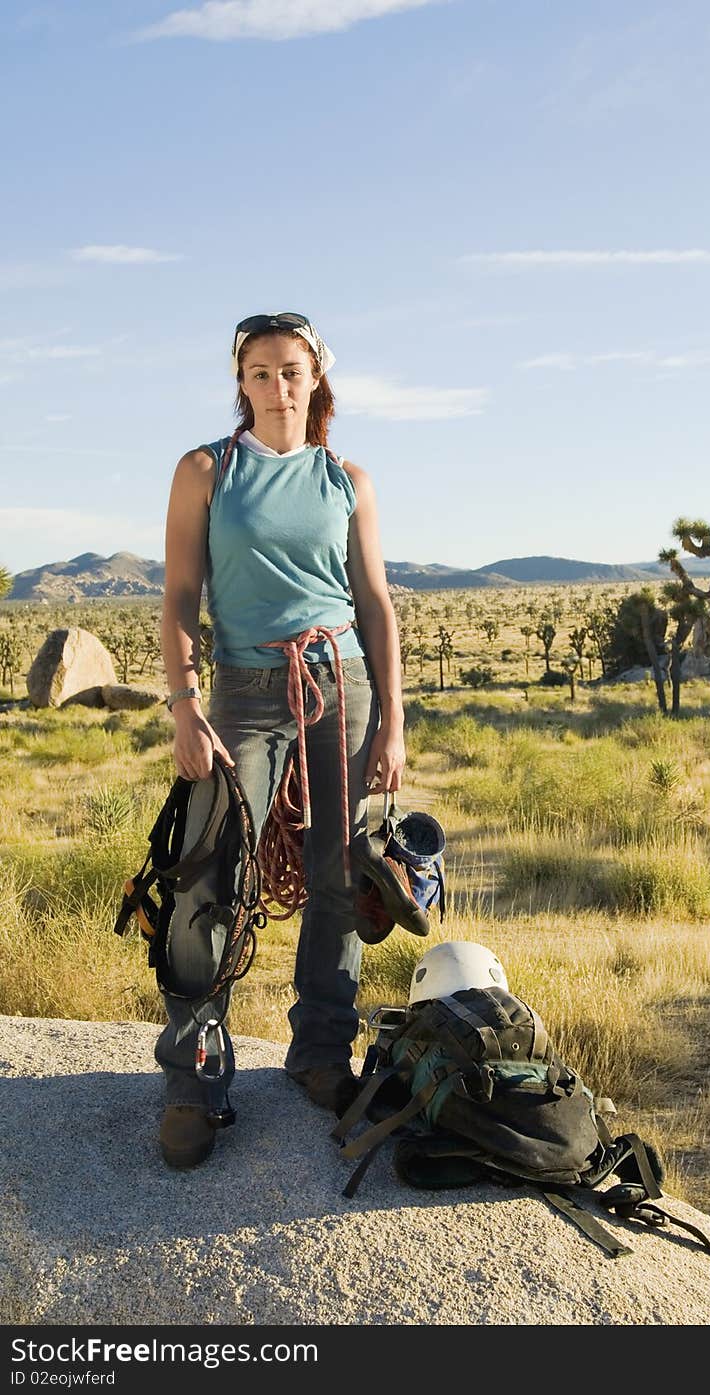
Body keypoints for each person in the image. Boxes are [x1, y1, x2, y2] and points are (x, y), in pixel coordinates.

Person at [157, 311, 405, 1168]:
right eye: (259, 373)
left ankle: (320, 1054)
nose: (276, 387)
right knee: (208, 870)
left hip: (344, 683)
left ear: (315, 380)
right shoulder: (206, 472)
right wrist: (185, 705)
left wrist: (394, 724)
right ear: (241, 382)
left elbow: (374, 603)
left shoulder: (347, 480)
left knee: (341, 872)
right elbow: (181, 596)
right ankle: (193, 1069)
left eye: (291, 371)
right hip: (245, 691)